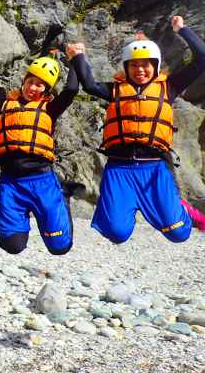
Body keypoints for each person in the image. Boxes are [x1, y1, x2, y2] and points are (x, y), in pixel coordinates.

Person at [67, 15, 205, 244]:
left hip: (154, 169)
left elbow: (202, 58)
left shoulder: (169, 88)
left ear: (155, 67)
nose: (140, 70)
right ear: (127, 68)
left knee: (179, 234)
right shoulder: (115, 90)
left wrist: (182, 30)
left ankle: (181, 210)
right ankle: (130, 206)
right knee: (116, 233)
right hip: (119, 168)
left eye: (145, 65)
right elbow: (90, 85)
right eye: (134, 65)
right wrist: (79, 55)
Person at [0, 50, 79, 255]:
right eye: (30, 81)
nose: (32, 88)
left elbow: (72, 88)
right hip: (11, 182)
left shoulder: (50, 108)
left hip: (41, 179)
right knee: (12, 246)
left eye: (39, 85)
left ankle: (62, 194)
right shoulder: (3, 105)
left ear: (45, 90)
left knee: (60, 247)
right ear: (23, 81)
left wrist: (76, 58)